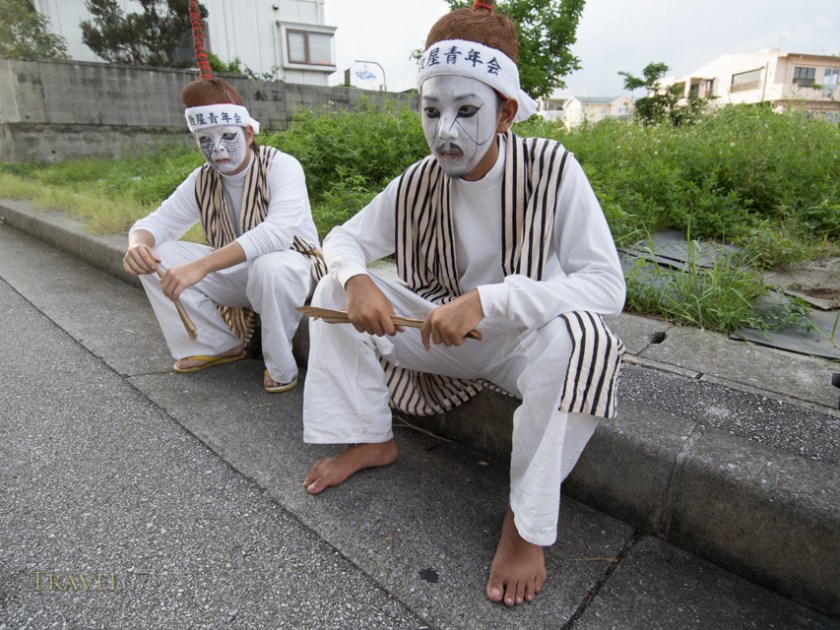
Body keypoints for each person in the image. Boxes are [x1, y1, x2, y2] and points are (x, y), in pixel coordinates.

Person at [301, 0, 626, 608]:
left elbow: (607, 285)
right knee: (329, 289)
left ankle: (525, 523)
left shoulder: (553, 168)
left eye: (466, 110)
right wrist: (356, 278)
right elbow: (343, 238)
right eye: (431, 110)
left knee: (585, 340)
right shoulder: (419, 178)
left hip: (517, 347)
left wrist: (492, 300)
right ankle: (372, 437)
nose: (444, 130)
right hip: (436, 335)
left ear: (506, 111)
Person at [122, 76, 324, 393]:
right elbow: (157, 222)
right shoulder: (202, 179)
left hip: (293, 272)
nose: (217, 151)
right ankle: (214, 343)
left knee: (270, 265)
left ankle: (281, 367)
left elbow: (276, 234)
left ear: (248, 132)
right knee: (157, 252)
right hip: (241, 275)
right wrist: (137, 245)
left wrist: (201, 266)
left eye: (228, 137)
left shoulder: (282, 166)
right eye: (204, 140)